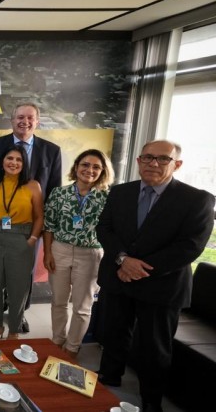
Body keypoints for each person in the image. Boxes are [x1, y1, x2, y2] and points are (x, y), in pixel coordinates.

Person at [96, 140, 214, 412]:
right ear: (138, 161)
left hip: (162, 286)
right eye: (147, 158)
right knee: (113, 333)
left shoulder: (196, 199)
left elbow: (190, 246)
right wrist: (123, 260)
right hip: (118, 277)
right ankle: (108, 377)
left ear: (177, 164)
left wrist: (139, 268)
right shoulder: (120, 193)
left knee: (154, 347)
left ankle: (151, 400)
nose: (153, 164)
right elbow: (105, 229)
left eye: (162, 159)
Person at [0, 102, 62, 333]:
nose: (24, 122)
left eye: (30, 118)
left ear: (37, 121)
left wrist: (40, 232)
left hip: (29, 227)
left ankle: (19, 316)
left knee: (22, 277)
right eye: (20, 117)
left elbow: (54, 190)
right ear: (12, 120)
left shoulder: (51, 150)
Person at [43, 149, 113, 357]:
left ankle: (72, 347)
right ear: (76, 167)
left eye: (96, 167)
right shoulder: (59, 193)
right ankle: (57, 340)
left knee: (82, 306)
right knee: (59, 301)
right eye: (85, 164)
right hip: (60, 250)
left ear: (102, 171)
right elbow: (49, 226)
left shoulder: (108, 197)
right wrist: (47, 253)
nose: (89, 170)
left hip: (90, 254)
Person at [0, 145, 44, 340]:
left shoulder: (33, 186)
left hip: (21, 237)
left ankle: (14, 330)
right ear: (3, 161)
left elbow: (39, 216)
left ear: (24, 164)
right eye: (10, 158)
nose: (13, 163)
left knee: (18, 287)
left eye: (18, 160)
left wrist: (32, 239)